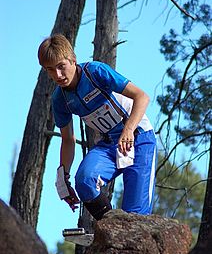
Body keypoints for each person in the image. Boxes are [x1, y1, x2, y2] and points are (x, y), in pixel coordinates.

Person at [38, 33, 157, 221]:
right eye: (50, 70)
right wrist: (63, 177)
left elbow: (142, 97)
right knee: (84, 181)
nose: (58, 75)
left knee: (136, 216)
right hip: (110, 145)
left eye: (61, 66)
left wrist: (127, 130)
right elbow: (68, 140)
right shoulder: (60, 99)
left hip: (138, 137)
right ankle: (110, 229)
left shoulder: (95, 72)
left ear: (73, 60)